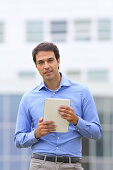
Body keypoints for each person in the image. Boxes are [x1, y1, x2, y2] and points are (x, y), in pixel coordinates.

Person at [14, 42, 102, 170]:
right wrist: (36, 134)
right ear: (36, 66)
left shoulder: (82, 92)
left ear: (58, 61)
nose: (46, 66)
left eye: (50, 60)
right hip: (40, 164)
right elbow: (18, 140)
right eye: (41, 62)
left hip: (72, 165)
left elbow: (96, 132)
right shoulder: (28, 98)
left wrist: (76, 120)